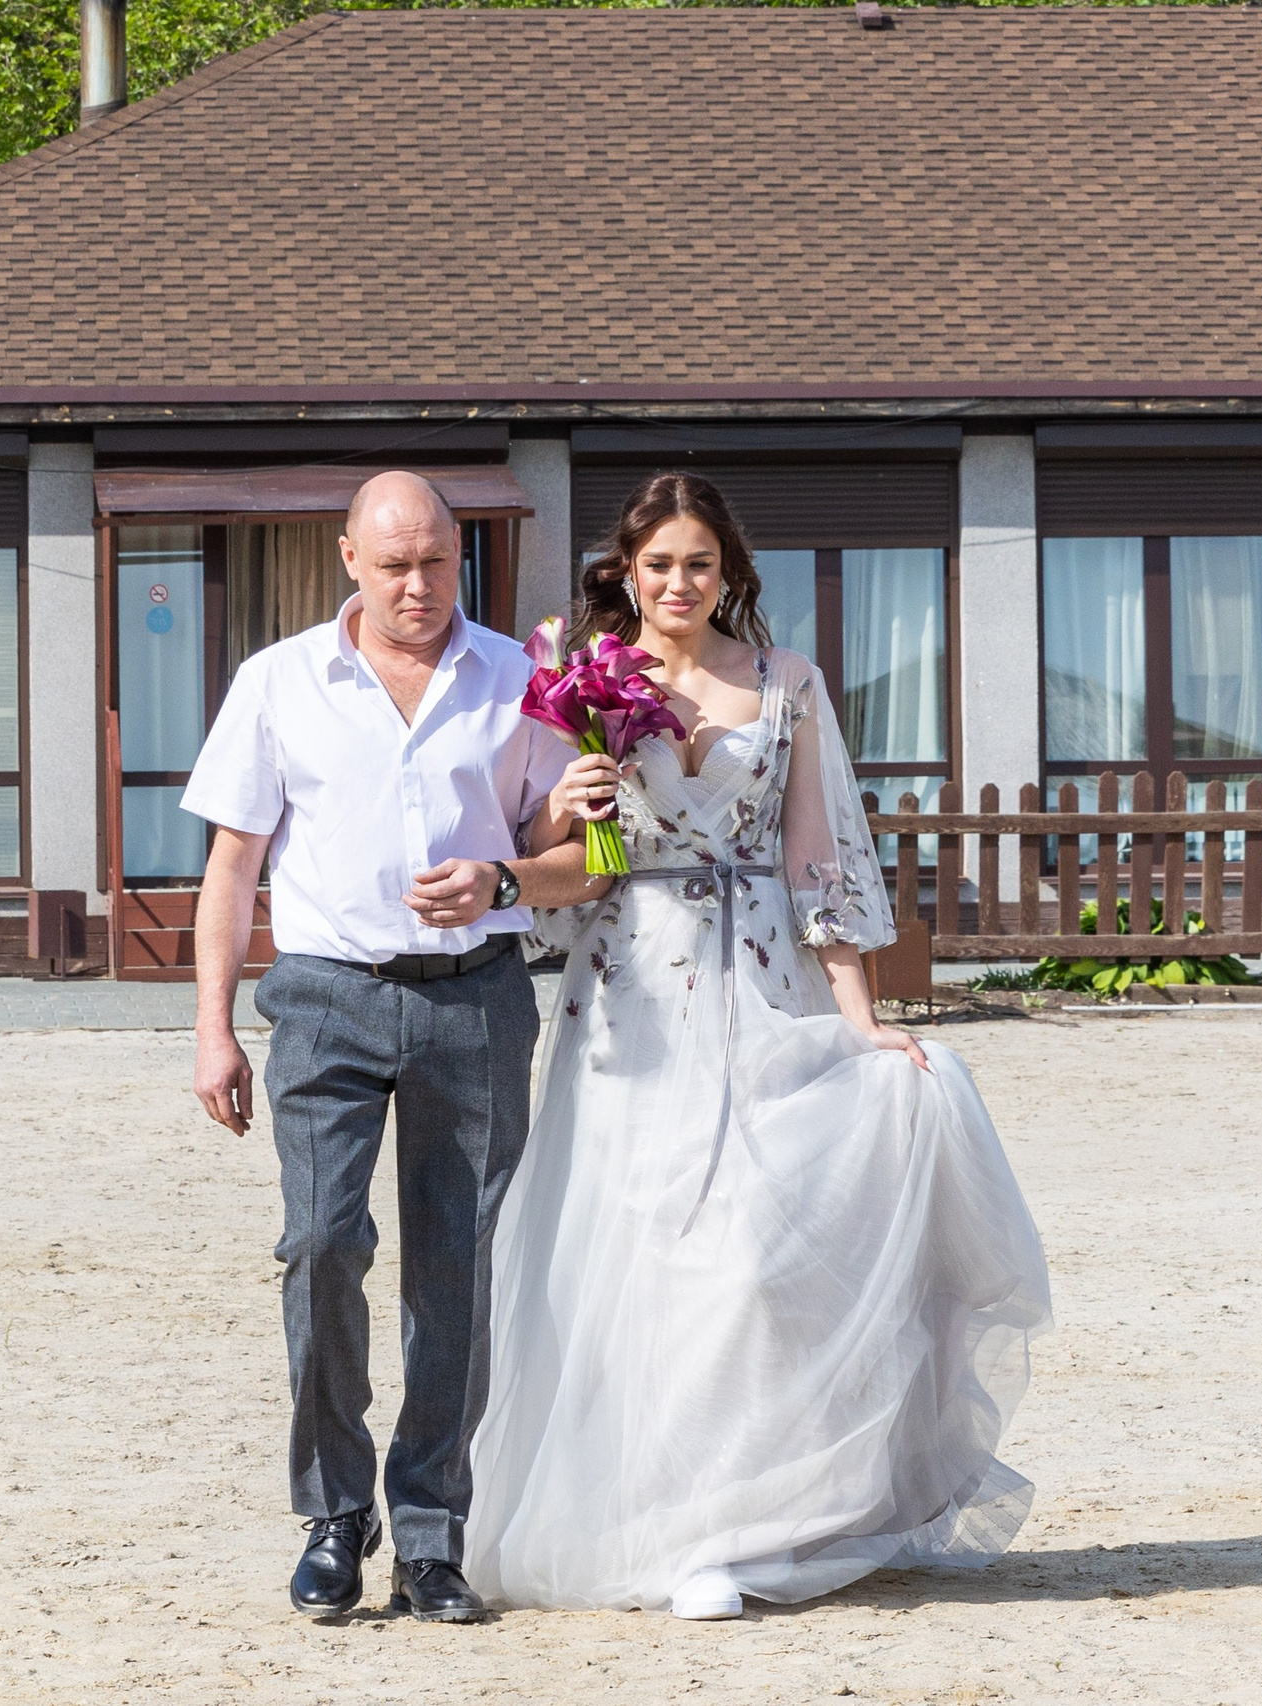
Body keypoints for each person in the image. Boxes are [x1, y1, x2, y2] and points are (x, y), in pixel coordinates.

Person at [464, 472, 1053, 1620]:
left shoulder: (787, 683)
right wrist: (566, 801)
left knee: (752, 1253)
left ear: (727, 571)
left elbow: (816, 859)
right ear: (626, 572)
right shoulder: (582, 680)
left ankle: (748, 1519)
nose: (678, 583)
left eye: (699, 563)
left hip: (762, 979)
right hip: (628, 998)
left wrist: (860, 1014)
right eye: (658, 564)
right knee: (643, 1259)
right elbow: (542, 846)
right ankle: (667, 1535)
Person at [183, 471, 594, 1623]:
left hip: (475, 1000)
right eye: (395, 564)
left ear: (460, 556)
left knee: (459, 1268)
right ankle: (333, 1512)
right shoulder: (278, 681)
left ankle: (429, 1530)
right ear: (349, 559)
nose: (417, 585)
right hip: (326, 995)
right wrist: (213, 1027)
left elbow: (570, 861)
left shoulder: (520, 679)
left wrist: (506, 875)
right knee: (320, 1242)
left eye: (436, 562)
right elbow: (231, 866)